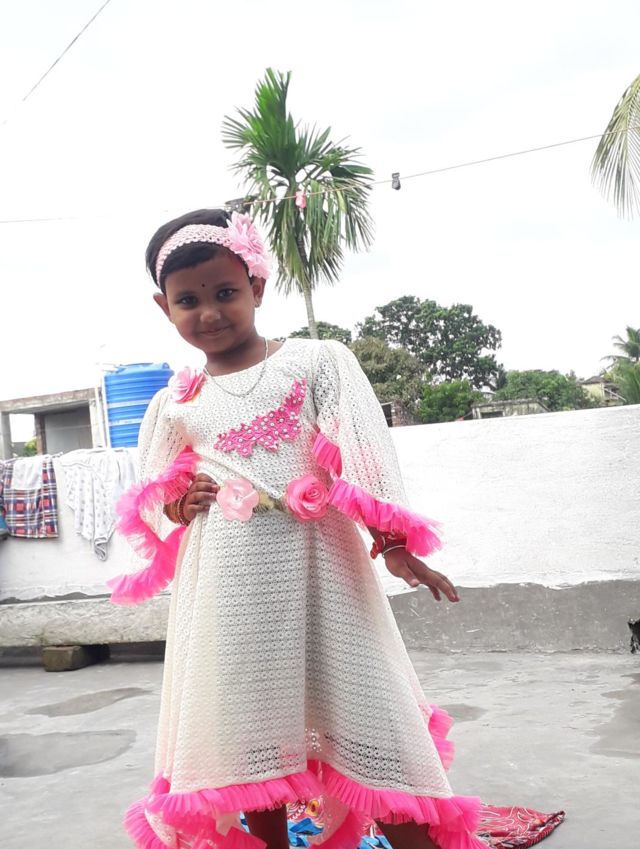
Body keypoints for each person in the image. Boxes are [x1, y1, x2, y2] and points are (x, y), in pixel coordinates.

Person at [108, 208, 489, 849]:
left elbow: (365, 456)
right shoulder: (176, 401)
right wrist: (179, 504)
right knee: (250, 736)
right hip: (230, 593)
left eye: (225, 292)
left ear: (257, 286)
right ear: (163, 307)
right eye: (188, 301)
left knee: (373, 716)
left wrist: (395, 543)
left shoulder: (316, 363)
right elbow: (152, 494)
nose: (210, 312)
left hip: (325, 576)